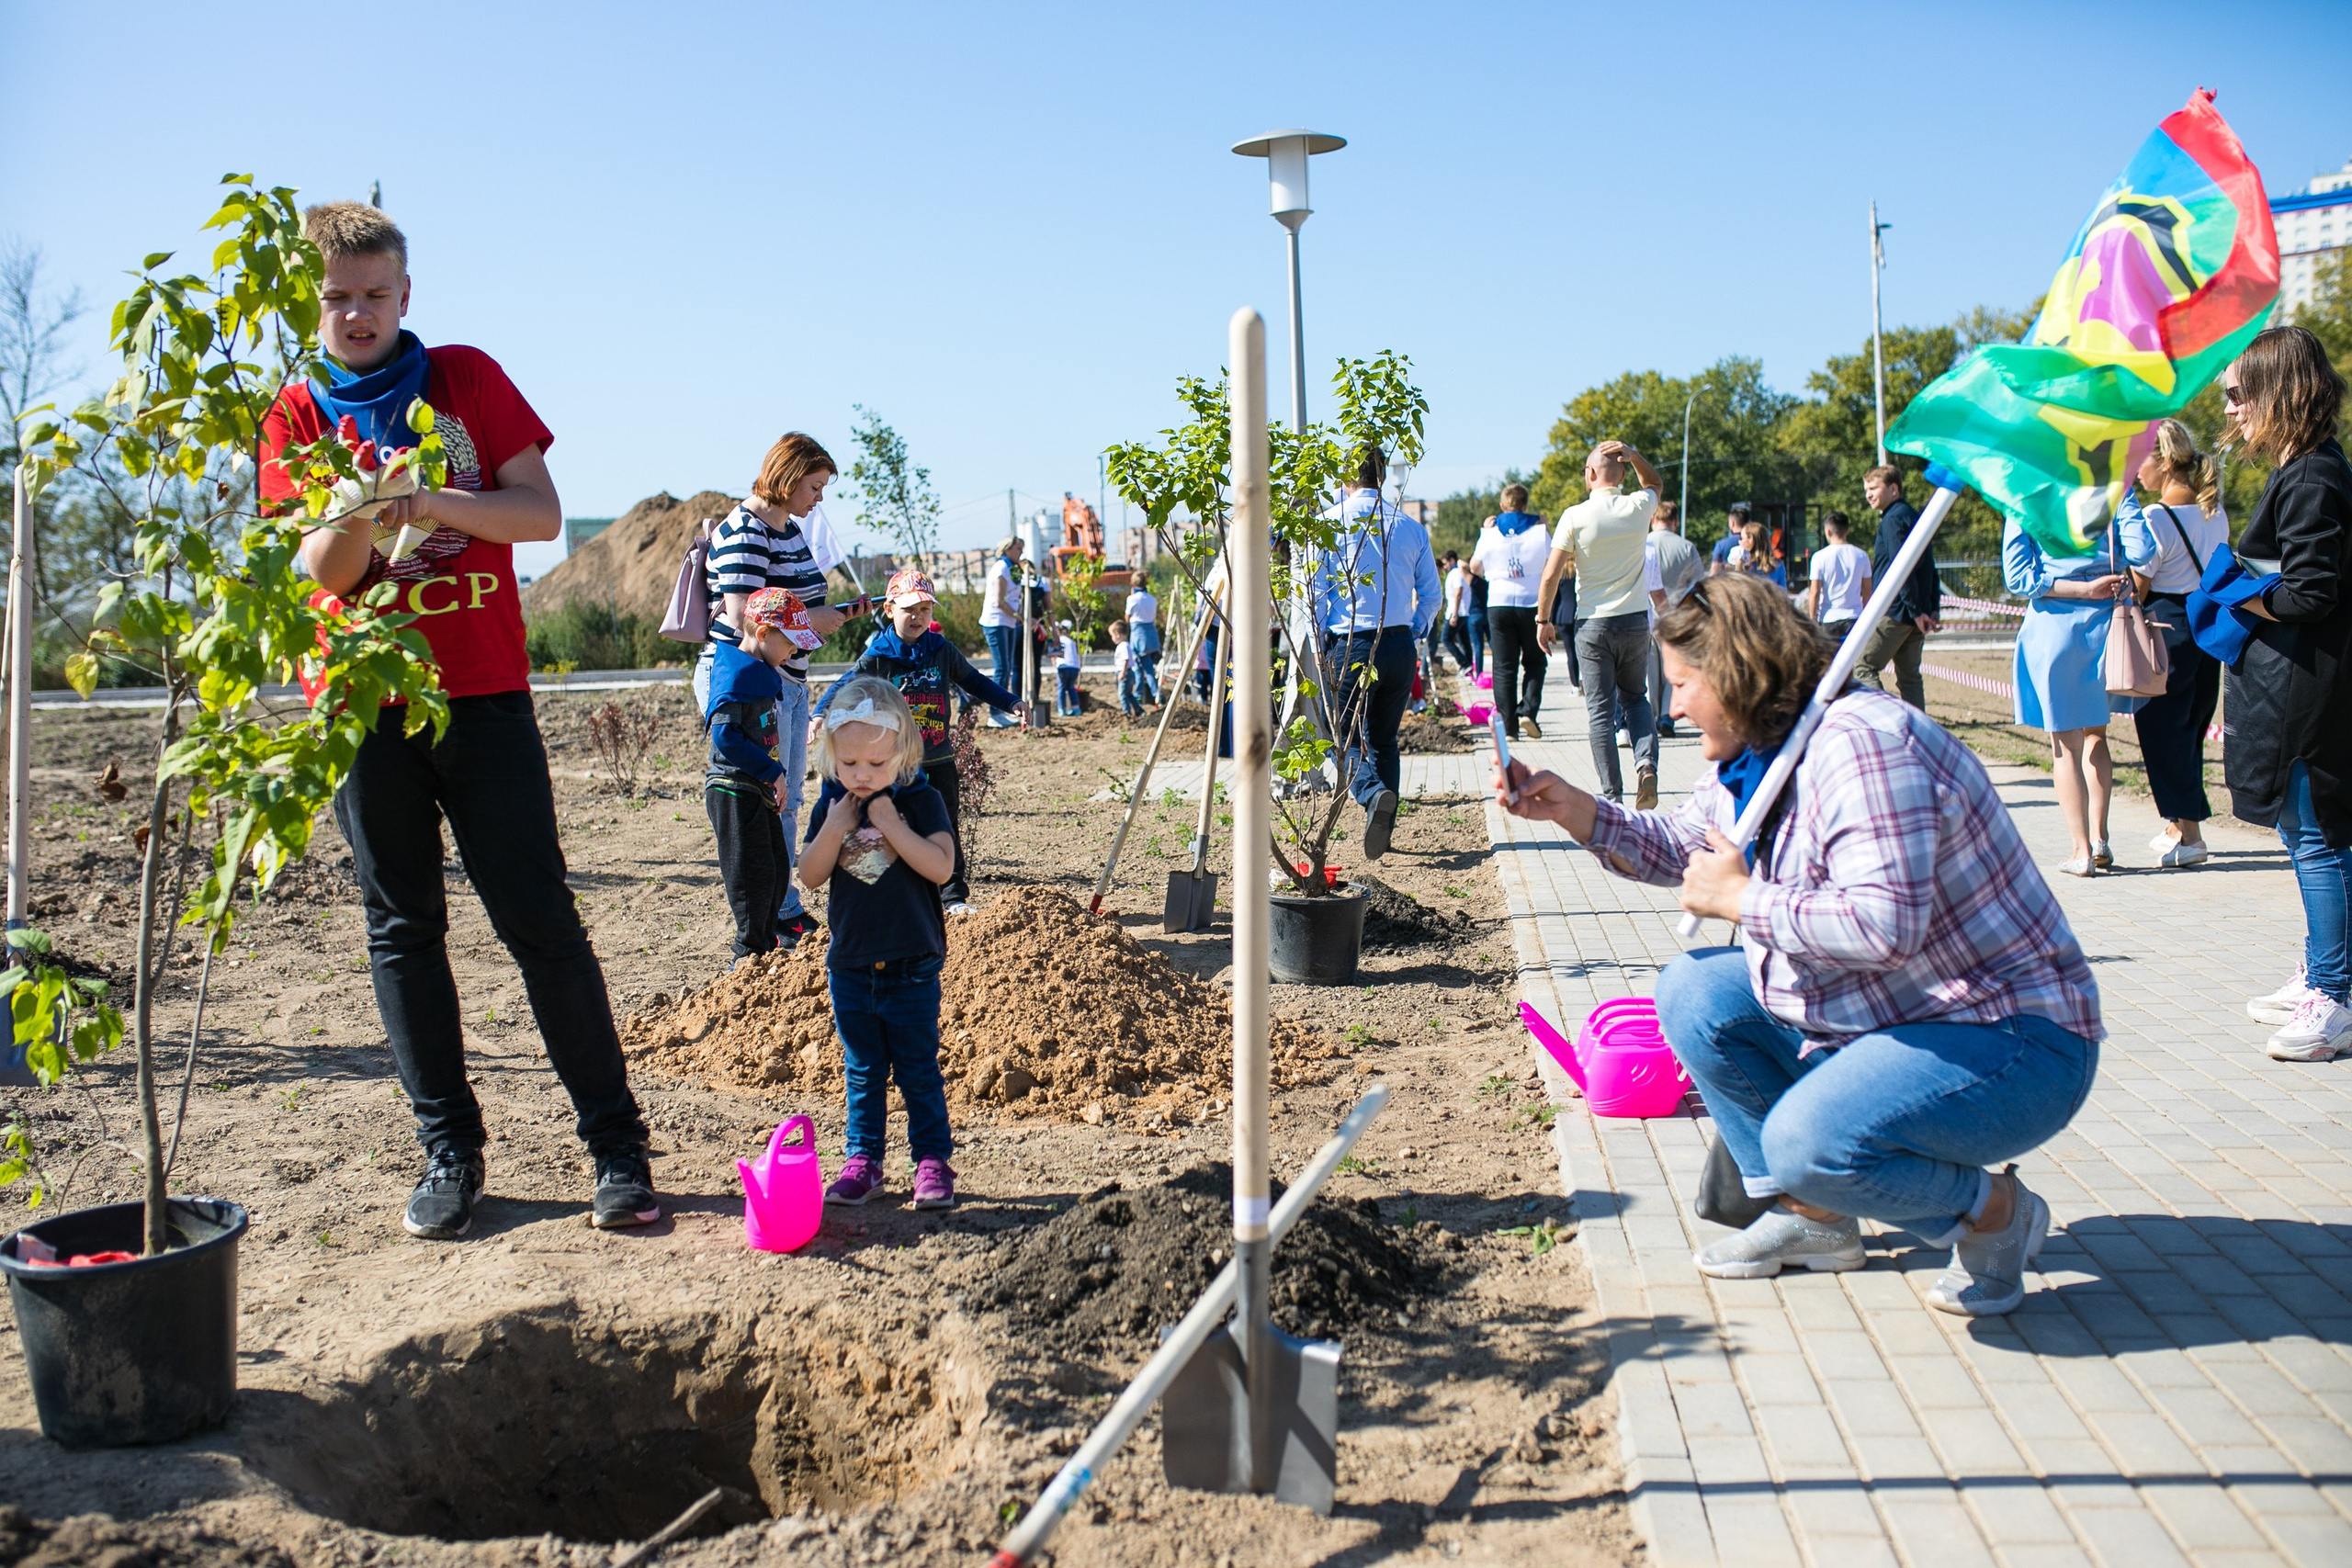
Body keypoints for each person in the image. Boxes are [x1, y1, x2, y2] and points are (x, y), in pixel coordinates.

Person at [1495, 572, 2101, 1316]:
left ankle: (1995, 1210)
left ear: (1739, 673)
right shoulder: (1765, 751)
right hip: (1894, 1013)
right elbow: (1687, 846)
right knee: (1696, 992)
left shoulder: (1864, 749)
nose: (1674, 704)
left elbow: (1884, 926)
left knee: (1804, 1142)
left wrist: (1746, 898)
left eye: (1684, 684)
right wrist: (1578, 810)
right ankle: (1816, 1219)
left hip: (2007, 1038)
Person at [268, 201, 656, 1240]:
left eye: (375, 295)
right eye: (338, 298)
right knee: (403, 932)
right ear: (314, 301)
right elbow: (326, 574)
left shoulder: (466, 380)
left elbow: (535, 513)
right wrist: (356, 505)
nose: (357, 315)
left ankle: (616, 1148)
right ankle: (451, 1152)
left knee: (539, 921)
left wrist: (434, 502)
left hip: (480, 696)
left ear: (406, 294)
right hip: (360, 705)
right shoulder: (296, 416)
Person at [2218, 326, 2352, 1061]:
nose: (2232, 409)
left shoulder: (2312, 477)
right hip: (2305, 683)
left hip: (2310, 691)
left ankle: (2332, 995)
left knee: (2319, 841)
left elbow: (2309, 592)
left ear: (2278, 392)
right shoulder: (2308, 469)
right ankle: (2325, 971)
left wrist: (2239, 596)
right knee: (2322, 838)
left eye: (2240, 394)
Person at [696, 434, 863, 948]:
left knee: (785, 798)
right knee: (770, 797)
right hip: (757, 686)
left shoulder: (785, 527)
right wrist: (818, 619)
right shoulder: (746, 531)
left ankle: (780, 909)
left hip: (785, 680)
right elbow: (747, 614)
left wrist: (829, 618)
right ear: (788, 478)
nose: (819, 498)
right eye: (814, 486)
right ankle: (769, 919)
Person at [799, 677, 960, 1209]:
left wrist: (891, 824)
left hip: (913, 963)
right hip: (850, 965)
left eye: (876, 764)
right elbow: (811, 875)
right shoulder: (833, 807)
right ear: (831, 758)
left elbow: (940, 868)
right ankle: (863, 1161)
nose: (862, 776)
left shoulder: (921, 800)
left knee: (917, 1067)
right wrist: (835, 825)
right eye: (849, 765)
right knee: (863, 1070)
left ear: (904, 752)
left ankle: (932, 1162)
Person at [813, 570, 1021, 916]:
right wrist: (820, 713)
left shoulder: (941, 650)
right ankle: (889, 893)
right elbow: (847, 684)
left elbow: (976, 681)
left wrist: (1011, 702)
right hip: (894, 765)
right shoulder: (879, 655)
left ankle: (952, 895)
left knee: (944, 824)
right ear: (889, 609)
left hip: (938, 758)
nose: (918, 617)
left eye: (926, 609)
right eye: (910, 609)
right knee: (887, 825)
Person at [2004, 502, 2155, 877]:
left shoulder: (2026, 493)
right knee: (2096, 735)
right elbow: (2144, 551)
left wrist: (2080, 587)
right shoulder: (2113, 483)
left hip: (2055, 627)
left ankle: (2080, 849)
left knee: (2064, 746)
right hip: (2106, 626)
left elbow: (2018, 577)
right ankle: (2102, 839)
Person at [1310, 444, 1442, 859]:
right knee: (1384, 739)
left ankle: (1371, 795)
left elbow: (1316, 593)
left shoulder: (1328, 526)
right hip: (1398, 643)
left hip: (1351, 644)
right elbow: (1432, 595)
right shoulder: (1410, 526)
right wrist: (1413, 632)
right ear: (1382, 476)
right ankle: (1383, 824)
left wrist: (1319, 640)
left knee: (1339, 734)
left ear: (1345, 478)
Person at [1539, 441, 1669, 809]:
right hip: (1633, 623)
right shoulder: (1637, 506)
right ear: (1624, 474)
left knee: (1600, 710)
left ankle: (1612, 796)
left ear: (1591, 474)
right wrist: (1635, 454)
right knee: (1635, 698)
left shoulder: (1574, 516)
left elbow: (1550, 576)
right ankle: (1646, 765)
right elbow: (1656, 483)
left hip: (1592, 626)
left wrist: (1543, 620)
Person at [2124, 422, 2229, 871]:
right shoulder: (2214, 510)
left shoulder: (2154, 518)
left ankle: (2192, 834)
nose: (2135, 470)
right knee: (2190, 730)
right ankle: (2178, 826)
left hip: (2167, 631)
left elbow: (2140, 587)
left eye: (2140, 460)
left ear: (2165, 462)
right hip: (2208, 627)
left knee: (2162, 732)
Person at [706, 589, 825, 963]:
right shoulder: (734, 673)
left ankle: (766, 940)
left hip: (757, 789)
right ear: (762, 634)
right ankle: (747, 953)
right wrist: (772, 771)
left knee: (775, 870)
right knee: (752, 876)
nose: (795, 652)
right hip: (734, 790)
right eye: (790, 643)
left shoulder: (762, 670)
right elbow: (725, 737)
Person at [1468, 483, 1554, 740]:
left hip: (1499, 602)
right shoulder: (1539, 532)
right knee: (1536, 661)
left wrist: (1493, 576)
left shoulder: (1491, 533)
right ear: (1526, 505)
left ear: (1502, 507)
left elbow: (1474, 566)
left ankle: (1509, 728)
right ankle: (1527, 710)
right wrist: (1546, 528)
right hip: (1531, 604)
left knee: (1504, 667)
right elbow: (1551, 566)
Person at [1856, 467, 1942, 707]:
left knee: (1862, 667)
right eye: (1866, 490)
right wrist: (1930, 608)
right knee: (1910, 679)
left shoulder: (1893, 519)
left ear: (1893, 489)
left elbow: (1901, 568)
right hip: (1915, 611)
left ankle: (1886, 722)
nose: (1868, 495)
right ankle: (1918, 735)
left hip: (1896, 610)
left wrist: (1916, 612)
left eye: (1873, 488)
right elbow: (1929, 567)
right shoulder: (1914, 516)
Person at [1645, 502, 1703, 737]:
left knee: (1650, 670)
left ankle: (1649, 716)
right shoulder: (1687, 547)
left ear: (1653, 519)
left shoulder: (1643, 543)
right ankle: (1667, 717)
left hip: (1648, 612)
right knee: (1673, 669)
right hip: (1677, 612)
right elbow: (1699, 583)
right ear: (1675, 521)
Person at [979, 536, 1026, 727]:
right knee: (1002, 668)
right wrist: (1019, 616)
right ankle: (994, 713)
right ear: (1007, 550)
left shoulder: (1012, 569)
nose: (1021, 552)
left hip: (1007, 623)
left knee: (1007, 667)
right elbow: (999, 601)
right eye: (1018, 548)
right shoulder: (1001, 568)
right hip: (996, 622)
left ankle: (1000, 710)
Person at [1805, 512, 1872, 643]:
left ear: (1828, 531)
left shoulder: (1819, 557)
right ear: (1848, 530)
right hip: (1854, 617)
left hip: (1829, 618)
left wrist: (1812, 620)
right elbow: (1867, 591)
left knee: (1829, 661)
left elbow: (1814, 592)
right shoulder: (1862, 556)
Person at [1124, 581, 1162, 702]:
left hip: (1139, 637)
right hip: (1151, 635)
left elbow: (1127, 617)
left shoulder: (1132, 599)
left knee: (1147, 668)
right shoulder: (1151, 598)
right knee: (1140, 667)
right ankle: (1138, 695)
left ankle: (1157, 695)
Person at [1113, 620, 1146, 718]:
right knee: (1129, 694)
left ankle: (1126, 713)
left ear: (1118, 634)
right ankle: (1139, 710)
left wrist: (1123, 673)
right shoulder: (1125, 645)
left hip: (1125, 673)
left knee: (1122, 695)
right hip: (1128, 672)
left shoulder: (1123, 646)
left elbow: (1126, 660)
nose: (1112, 638)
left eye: (1112, 636)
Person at [1710, 502, 1752, 570]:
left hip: (1726, 579)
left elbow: (1714, 570)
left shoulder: (1721, 545)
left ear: (1732, 523)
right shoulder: (1753, 542)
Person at [1055, 622, 1083, 716]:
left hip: (1063, 666)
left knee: (1061, 688)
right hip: (1074, 667)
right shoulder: (1072, 642)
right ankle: (1076, 708)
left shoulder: (1059, 640)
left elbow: (1055, 654)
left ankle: (1061, 709)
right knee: (1071, 687)